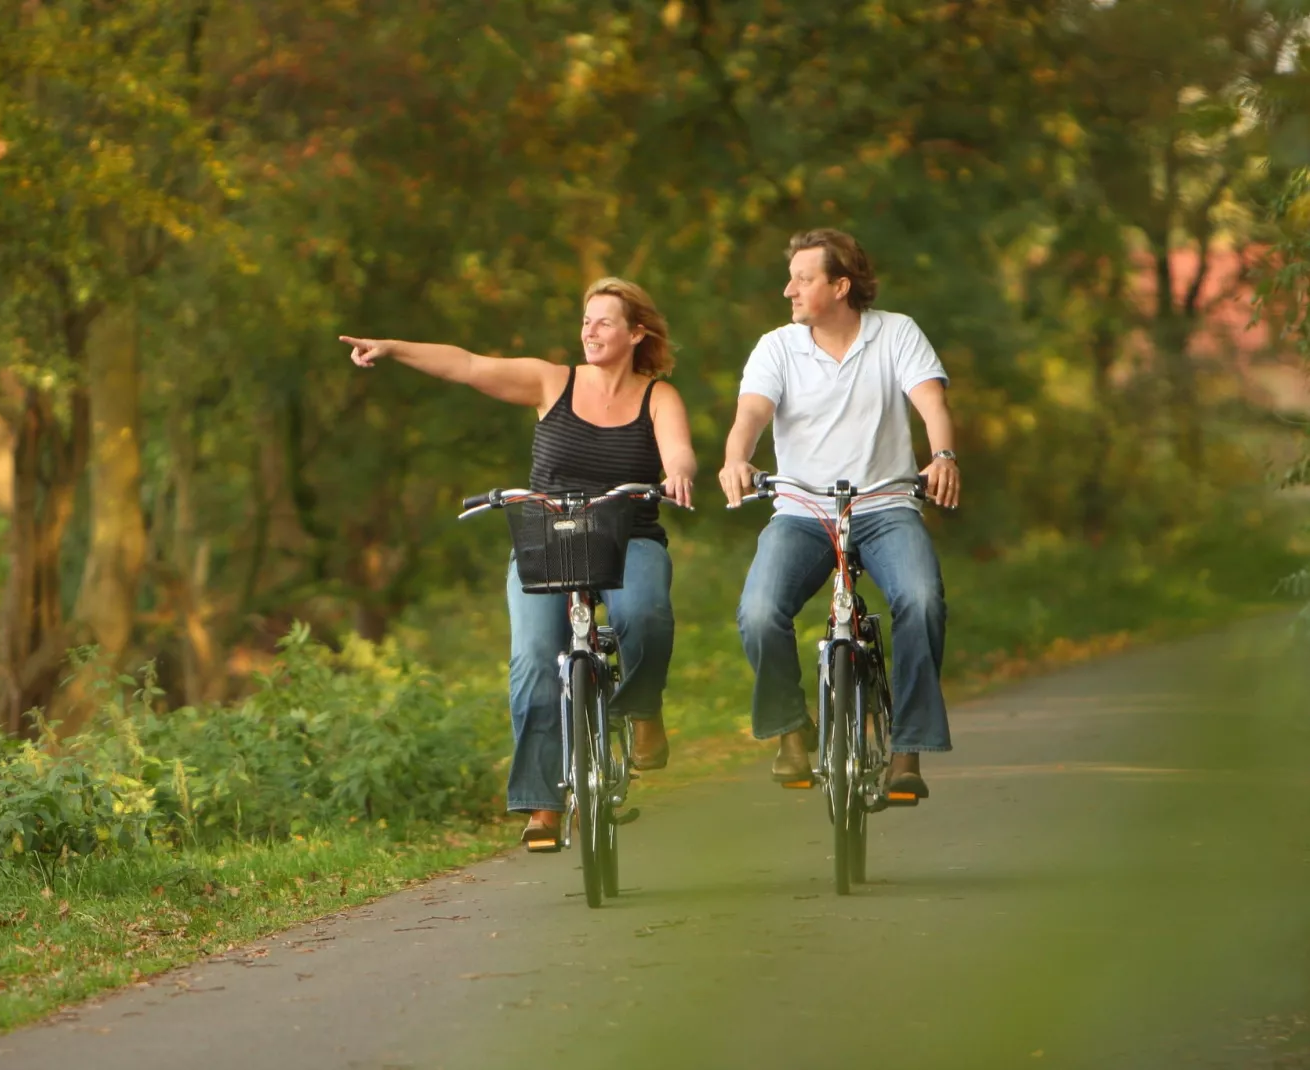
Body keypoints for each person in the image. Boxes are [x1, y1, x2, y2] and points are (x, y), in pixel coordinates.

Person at [341, 278, 698, 850]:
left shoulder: (659, 396)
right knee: (533, 659)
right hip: (548, 539)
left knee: (647, 616)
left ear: (636, 333)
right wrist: (393, 347)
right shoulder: (551, 381)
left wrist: (677, 470)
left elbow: (678, 447)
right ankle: (542, 804)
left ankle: (643, 708)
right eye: (586, 320)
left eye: (605, 321)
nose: (590, 330)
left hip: (629, 537)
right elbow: (465, 364)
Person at [719, 229, 959, 798]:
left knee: (922, 601)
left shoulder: (896, 333)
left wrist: (943, 456)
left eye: (803, 279)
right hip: (802, 511)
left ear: (841, 285)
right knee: (758, 612)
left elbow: (932, 402)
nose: (789, 290)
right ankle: (790, 729)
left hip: (885, 505)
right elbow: (752, 412)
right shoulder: (778, 347)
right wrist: (736, 459)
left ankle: (907, 749)